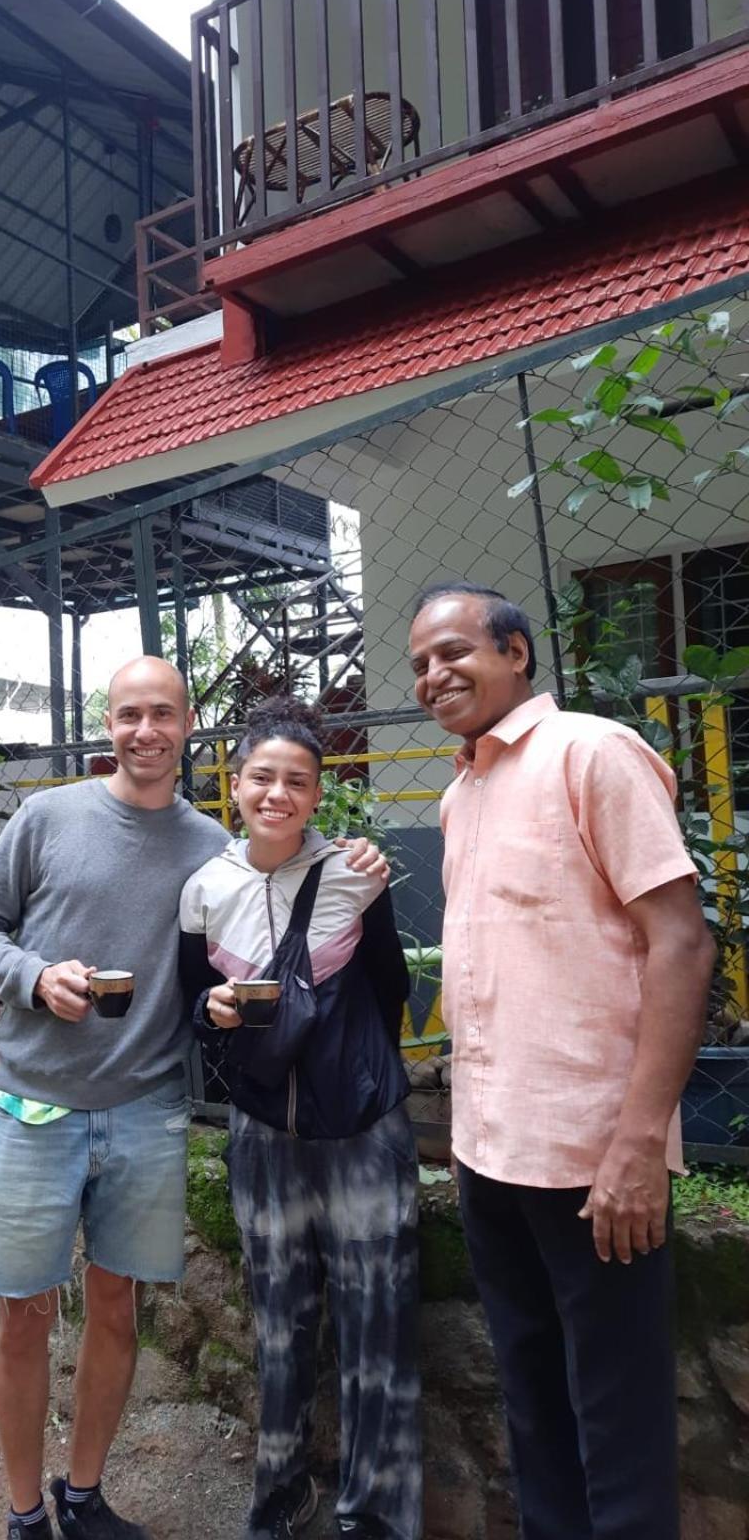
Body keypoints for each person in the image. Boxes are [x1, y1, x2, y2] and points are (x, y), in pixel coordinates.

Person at [0, 655, 390, 1540]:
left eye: (163, 714)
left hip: (146, 1109)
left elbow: (286, 875)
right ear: (107, 724)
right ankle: (23, 1513)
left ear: (189, 724)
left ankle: (83, 1494)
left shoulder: (211, 850)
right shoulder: (46, 816)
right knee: (26, 1316)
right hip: (36, 1103)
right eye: (128, 715)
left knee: (118, 1309)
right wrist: (36, 978)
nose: (146, 731)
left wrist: (356, 852)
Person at [408, 581, 714, 1540]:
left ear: (516, 655)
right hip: (493, 1156)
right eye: (418, 663)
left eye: (454, 652)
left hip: (595, 1165)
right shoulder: (462, 795)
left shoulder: (591, 753)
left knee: (616, 1425)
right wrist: (465, 1141)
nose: (433, 674)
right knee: (533, 1406)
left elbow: (681, 943)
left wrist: (635, 1147)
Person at [180, 696, 421, 1540]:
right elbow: (188, 999)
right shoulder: (205, 888)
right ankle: (280, 1498)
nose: (278, 793)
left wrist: (352, 1076)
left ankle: (378, 1518)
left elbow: (392, 986)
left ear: (318, 794)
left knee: (377, 1326)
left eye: (298, 781)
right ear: (233, 785)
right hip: (261, 1137)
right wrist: (211, 1008)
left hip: (361, 1131)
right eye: (261, 777)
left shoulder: (358, 874)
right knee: (278, 1326)